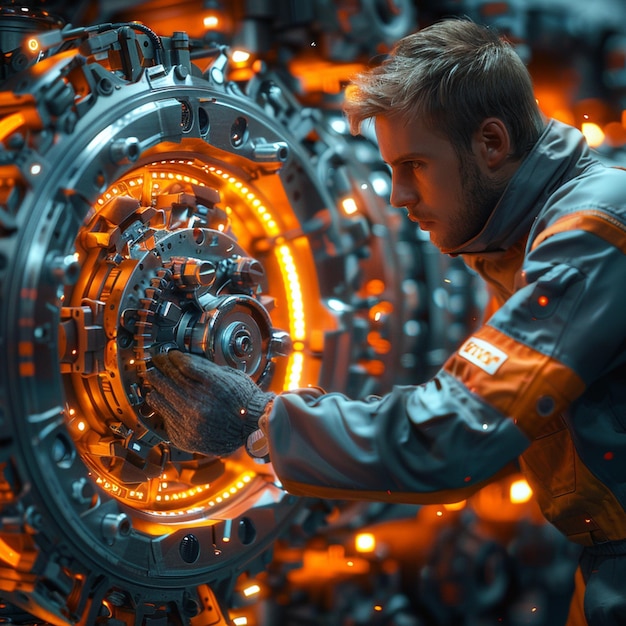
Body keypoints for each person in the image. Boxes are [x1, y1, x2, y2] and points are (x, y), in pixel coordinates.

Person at [143, 17, 626, 626]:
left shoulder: (592, 235)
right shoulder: (531, 239)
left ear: (492, 143)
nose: (398, 196)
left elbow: (457, 435)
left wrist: (259, 424)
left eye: (415, 166)